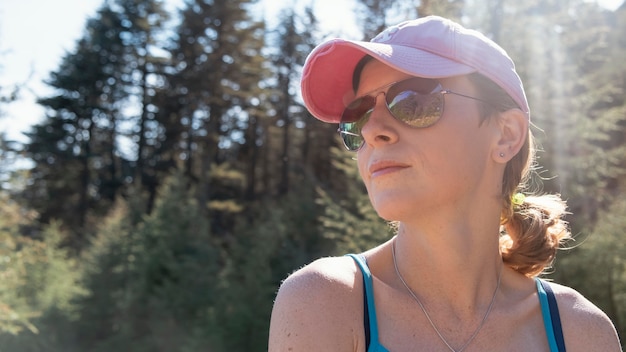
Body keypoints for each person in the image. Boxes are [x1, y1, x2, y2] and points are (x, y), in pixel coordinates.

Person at [268, 15, 622, 352]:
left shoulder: (581, 333)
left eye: (413, 101)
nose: (373, 130)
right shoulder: (325, 301)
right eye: (357, 116)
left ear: (506, 135)